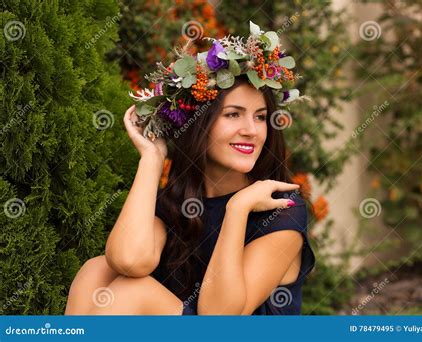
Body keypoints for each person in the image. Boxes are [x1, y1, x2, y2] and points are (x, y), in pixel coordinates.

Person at [65, 21, 316, 316]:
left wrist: (237, 210)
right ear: (198, 124)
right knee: (97, 272)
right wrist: (151, 158)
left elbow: (219, 316)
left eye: (260, 117)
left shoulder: (281, 209)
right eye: (233, 114)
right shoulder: (179, 202)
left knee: (131, 292)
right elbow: (129, 260)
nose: (251, 130)